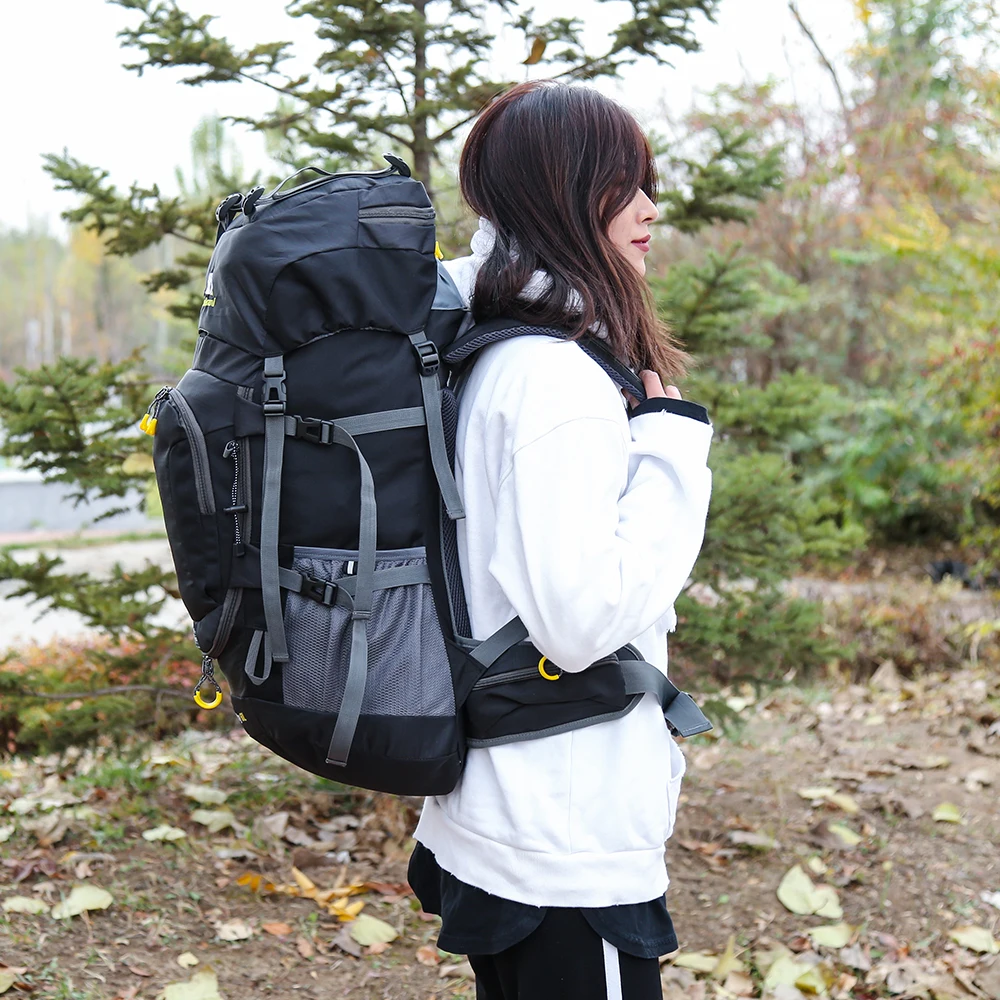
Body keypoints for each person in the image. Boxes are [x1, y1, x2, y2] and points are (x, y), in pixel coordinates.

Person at [407, 80, 715, 1000]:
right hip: (562, 844)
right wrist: (671, 452)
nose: (651, 209)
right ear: (565, 197)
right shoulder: (551, 380)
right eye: (625, 184)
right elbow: (579, 622)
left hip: (520, 811)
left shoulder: (501, 352)